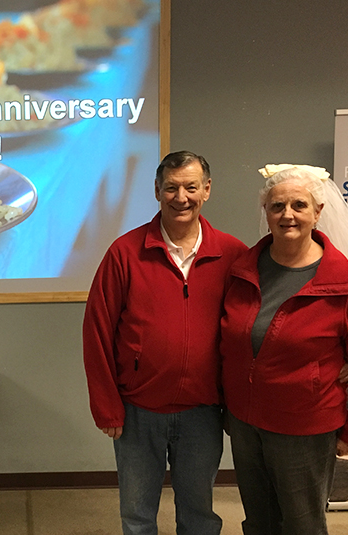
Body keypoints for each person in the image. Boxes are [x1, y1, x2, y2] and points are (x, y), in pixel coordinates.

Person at [220, 165, 348, 535]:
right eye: (277, 205)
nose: (287, 215)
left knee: (303, 526)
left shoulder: (345, 281)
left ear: (317, 212)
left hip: (304, 430)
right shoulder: (241, 271)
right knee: (259, 523)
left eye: (299, 205)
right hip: (245, 425)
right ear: (265, 212)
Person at [83, 151, 247, 534]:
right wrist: (107, 406)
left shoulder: (233, 255)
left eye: (191, 187)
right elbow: (97, 331)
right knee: (138, 516)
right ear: (157, 190)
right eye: (171, 187)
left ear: (207, 190)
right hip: (138, 411)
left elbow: (246, 333)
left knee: (199, 516)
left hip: (202, 412)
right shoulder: (124, 253)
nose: (181, 197)